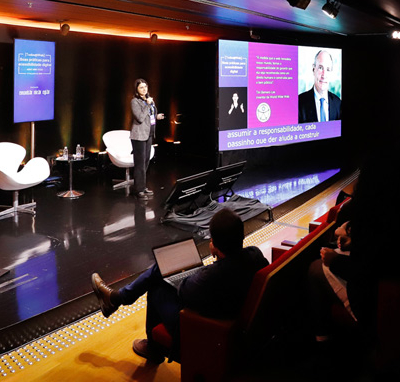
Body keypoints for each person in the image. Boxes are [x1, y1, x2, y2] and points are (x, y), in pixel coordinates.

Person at [90, 208, 268, 362]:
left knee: (157, 285)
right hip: (235, 320)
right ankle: (118, 298)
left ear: (214, 244)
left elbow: (184, 292)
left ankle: (151, 345)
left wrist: (187, 273)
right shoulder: (255, 255)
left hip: (200, 329)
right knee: (160, 271)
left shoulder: (212, 277)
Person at [130, 78, 163, 199]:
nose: (144, 89)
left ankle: (142, 187)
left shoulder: (149, 100)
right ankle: (138, 190)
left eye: (145, 87)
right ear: (137, 90)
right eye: (141, 87)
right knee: (139, 164)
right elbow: (139, 117)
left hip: (149, 134)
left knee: (146, 162)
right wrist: (148, 105)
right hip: (139, 135)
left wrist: (156, 116)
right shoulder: (135, 101)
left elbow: (150, 115)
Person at [298, 49, 342, 123]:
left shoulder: (338, 103)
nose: (324, 75)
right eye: (320, 68)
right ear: (313, 69)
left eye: (328, 69)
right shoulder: (299, 103)